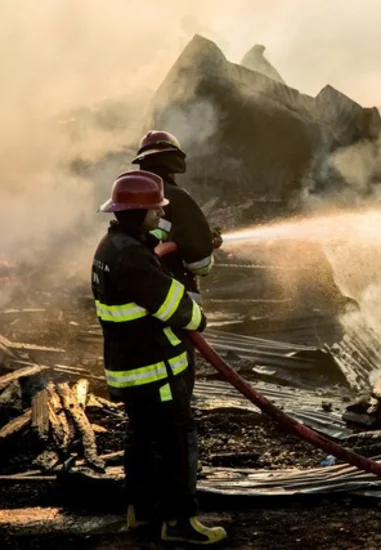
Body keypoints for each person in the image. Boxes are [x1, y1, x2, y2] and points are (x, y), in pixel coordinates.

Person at [91, 170, 227, 545]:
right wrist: (199, 315)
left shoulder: (111, 246)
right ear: (139, 213)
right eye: (154, 212)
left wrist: (189, 242)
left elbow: (151, 249)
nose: (159, 217)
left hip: (130, 370)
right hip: (156, 370)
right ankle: (180, 523)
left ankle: (141, 513)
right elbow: (179, 309)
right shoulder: (133, 260)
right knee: (176, 441)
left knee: (141, 438)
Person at [132, 130, 222, 306]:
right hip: (176, 300)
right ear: (175, 160)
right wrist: (206, 244)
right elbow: (200, 265)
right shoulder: (179, 199)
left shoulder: (131, 198)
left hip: (140, 298)